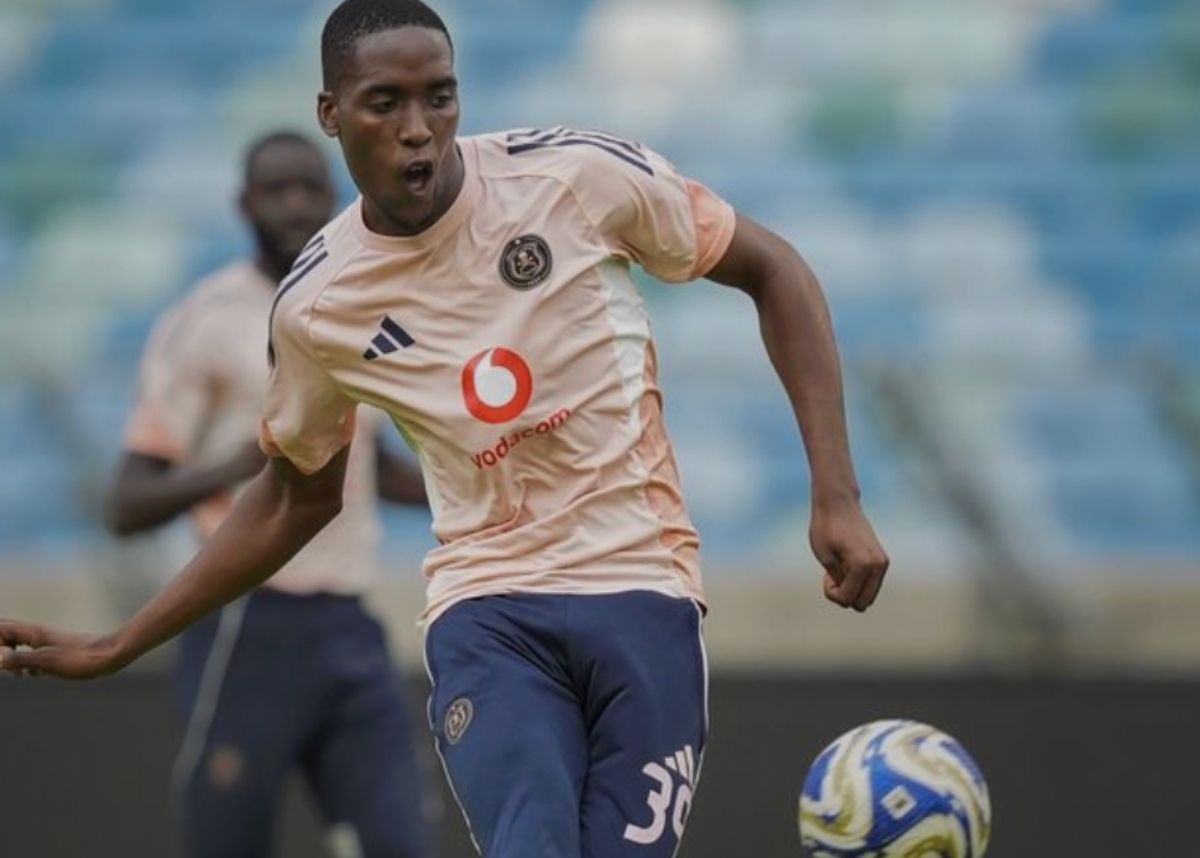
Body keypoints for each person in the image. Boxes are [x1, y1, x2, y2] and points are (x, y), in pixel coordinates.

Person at [1, 2, 890, 856]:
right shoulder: (318, 309)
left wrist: (837, 495)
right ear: (331, 113)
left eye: (440, 96)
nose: (419, 127)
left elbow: (774, 269)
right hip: (488, 606)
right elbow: (295, 498)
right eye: (385, 103)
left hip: (643, 583)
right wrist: (122, 642)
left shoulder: (572, 180)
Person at [103, 130, 434, 858]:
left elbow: (366, 468)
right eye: (275, 190)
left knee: (403, 841)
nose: (294, 205)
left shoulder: (355, 310)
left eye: (309, 189)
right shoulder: (209, 319)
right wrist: (238, 463)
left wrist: (474, 487)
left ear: (333, 195)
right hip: (244, 625)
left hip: (348, 625)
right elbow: (128, 502)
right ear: (243, 203)